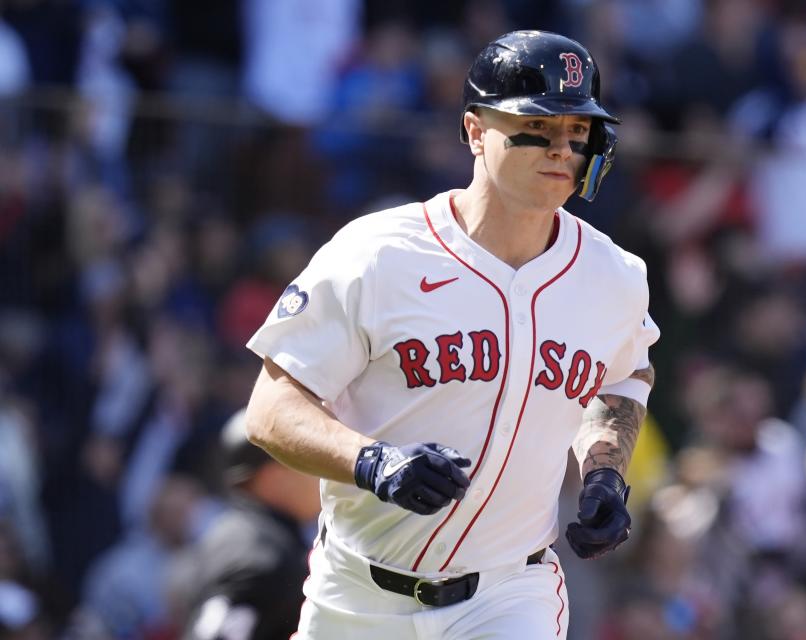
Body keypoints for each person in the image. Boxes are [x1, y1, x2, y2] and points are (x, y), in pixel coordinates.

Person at [244, 29, 660, 639]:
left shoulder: (614, 276)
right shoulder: (378, 253)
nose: (560, 149)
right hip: (358, 592)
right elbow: (271, 412)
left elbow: (626, 373)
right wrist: (372, 462)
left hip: (509, 593)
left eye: (577, 131)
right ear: (473, 130)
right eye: (537, 127)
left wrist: (604, 470)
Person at [179, 409, 320, 640]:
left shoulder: (237, 531)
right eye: (308, 461)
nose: (322, 474)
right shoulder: (258, 554)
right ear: (273, 473)